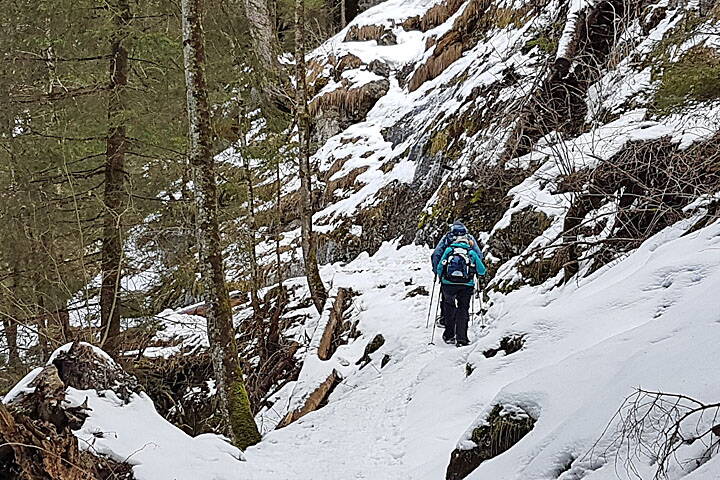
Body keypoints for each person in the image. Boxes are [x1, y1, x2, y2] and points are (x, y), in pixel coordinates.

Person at [434, 234, 486, 347]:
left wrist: (441, 278)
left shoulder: (449, 250)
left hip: (448, 284)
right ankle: (462, 338)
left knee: (449, 307)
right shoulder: (471, 253)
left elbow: (439, 267)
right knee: (463, 309)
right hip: (466, 285)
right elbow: (482, 271)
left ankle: (449, 335)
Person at [430, 220, 483, 327]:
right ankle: (461, 330)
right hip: (466, 279)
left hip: (448, 277)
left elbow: (436, 254)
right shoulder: (469, 238)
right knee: (463, 304)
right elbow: (479, 255)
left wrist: (438, 272)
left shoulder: (447, 238)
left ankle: (445, 321)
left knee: (447, 301)